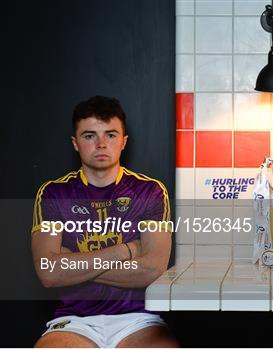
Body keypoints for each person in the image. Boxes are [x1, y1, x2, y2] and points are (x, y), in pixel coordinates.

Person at [31, 96, 177, 347]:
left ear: (123, 142)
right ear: (75, 143)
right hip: (73, 321)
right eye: (89, 136)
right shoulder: (54, 193)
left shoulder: (149, 191)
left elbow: (152, 269)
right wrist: (127, 250)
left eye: (110, 135)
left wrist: (71, 263)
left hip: (138, 319)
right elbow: (49, 273)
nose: (100, 144)